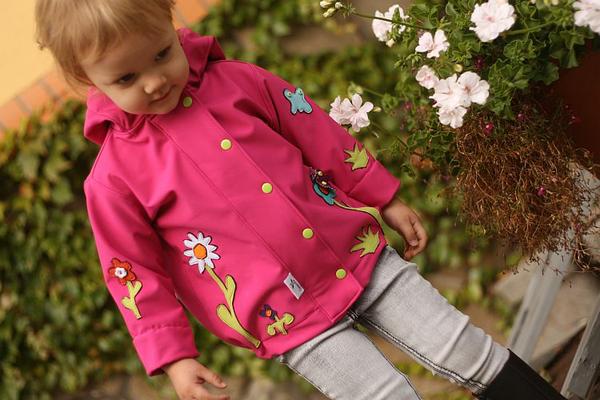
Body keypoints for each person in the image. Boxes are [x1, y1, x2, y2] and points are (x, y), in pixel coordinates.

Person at [34, 1, 567, 399]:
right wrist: (173, 356)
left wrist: (382, 195)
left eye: (161, 54)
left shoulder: (237, 82)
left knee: (466, 349)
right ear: (87, 80)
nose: (154, 81)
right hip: (283, 319)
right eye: (127, 77)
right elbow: (132, 273)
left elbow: (315, 131)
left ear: (171, 23)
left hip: (357, 255)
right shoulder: (113, 181)